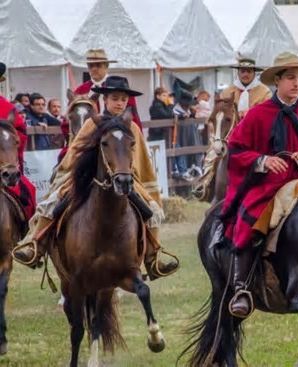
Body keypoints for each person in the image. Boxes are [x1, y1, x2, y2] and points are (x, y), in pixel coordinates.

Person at [13, 76, 177, 280]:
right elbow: (75, 152)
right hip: (89, 179)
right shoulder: (92, 124)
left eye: (123, 99)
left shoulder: (132, 128)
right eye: (115, 98)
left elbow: (141, 161)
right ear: (105, 100)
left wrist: (137, 181)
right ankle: (35, 243)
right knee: (53, 202)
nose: (119, 103)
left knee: (152, 211)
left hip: (125, 180)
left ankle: (153, 257)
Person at [222, 52, 298, 317]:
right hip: (269, 186)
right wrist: (262, 160)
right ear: (277, 81)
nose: (296, 83)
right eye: (291, 78)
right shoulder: (258, 115)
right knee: (252, 218)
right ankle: (242, 288)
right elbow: (235, 149)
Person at [192, 58, 271, 200]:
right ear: (238, 72)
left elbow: (268, 114)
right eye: (242, 71)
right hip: (231, 134)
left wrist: (251, 114)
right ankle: (205, 185)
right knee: (213, 152)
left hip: (257, 135)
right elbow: (219, 112)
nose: (245, 74)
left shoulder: (264, 92)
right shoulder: (228, 91)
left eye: (248, 71)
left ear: (254, 72)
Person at [0, 62, 36, 222]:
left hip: (3, 163)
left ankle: (28, 238)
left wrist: (8, 149)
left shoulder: (7, 107)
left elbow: (20, 132)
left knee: (29, 191)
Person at [74, 49, 142, 129]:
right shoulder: (80, 91)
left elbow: (133, 116)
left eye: (98, 65)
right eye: (91, 66)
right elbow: (71, 117)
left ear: (106, 66)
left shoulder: (121, 88)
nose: (94, 69)